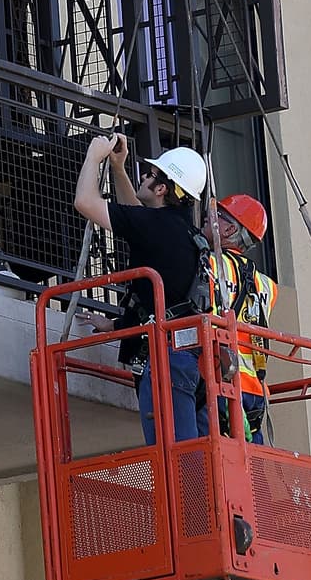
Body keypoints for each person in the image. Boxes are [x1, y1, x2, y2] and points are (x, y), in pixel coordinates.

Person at [74, 133, 209, 445]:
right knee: (190, 454)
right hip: (188, 357)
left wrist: (95, 157)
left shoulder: (159, 226)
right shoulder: (181, 231)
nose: (143, 175)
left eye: (148, 174)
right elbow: (138, 218)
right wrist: (118, 169)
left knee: (175, 459)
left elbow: (85, 202)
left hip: (167, 360)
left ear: (161, 189)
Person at [205, 193, 278, 443]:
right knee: (251, 472)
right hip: (255, 393)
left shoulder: (210, 264)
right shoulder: (266, 285)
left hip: (221, 381)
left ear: (230, 228)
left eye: (218, 215)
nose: (208, 217)